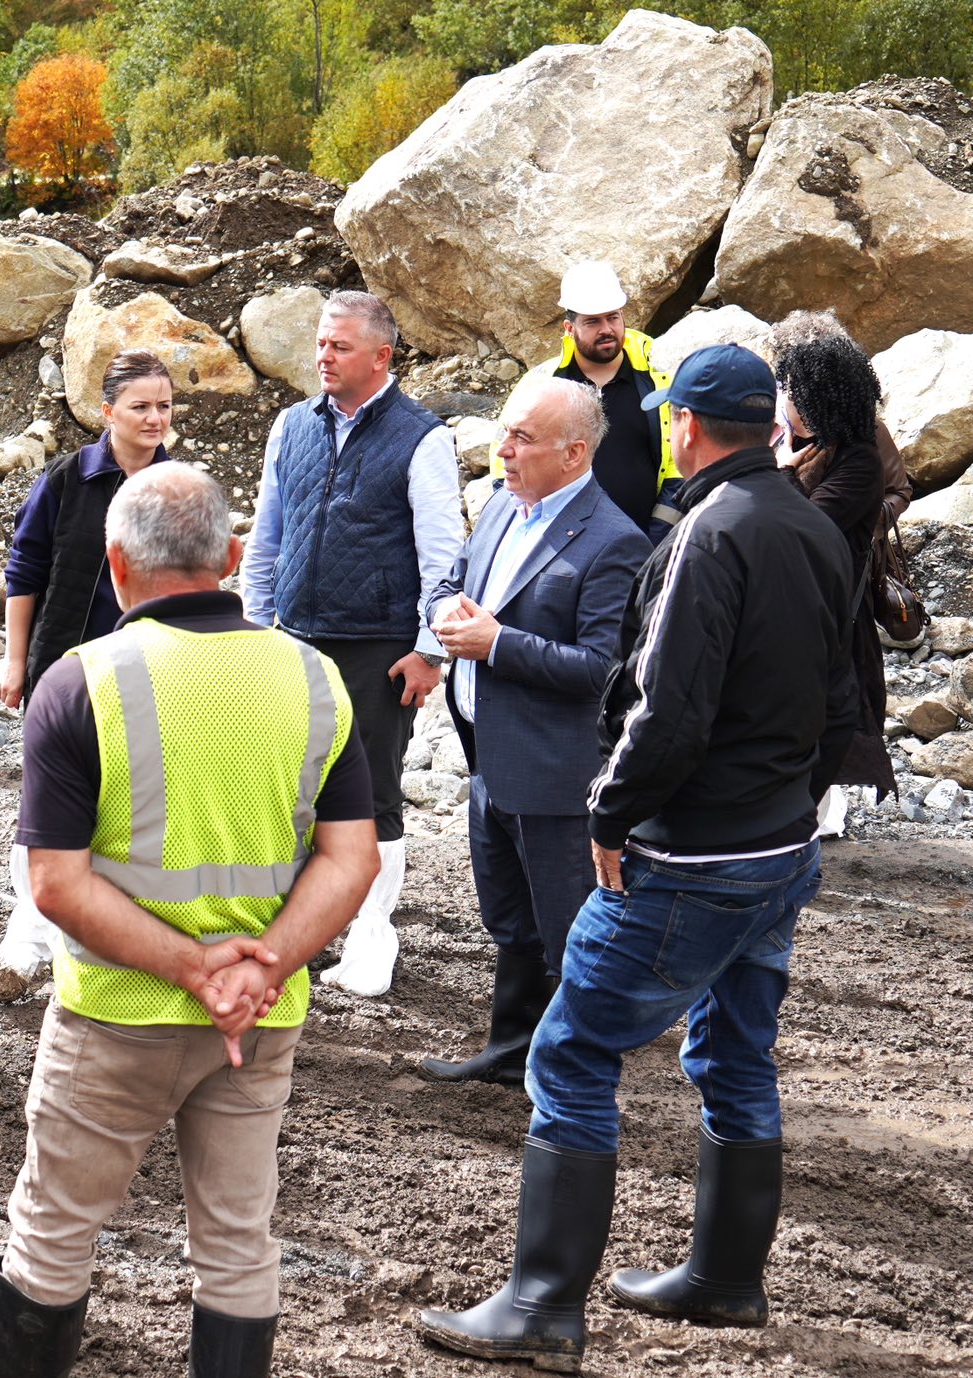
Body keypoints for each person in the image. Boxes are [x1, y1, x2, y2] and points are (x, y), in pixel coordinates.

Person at [419, 345, 858, 1372]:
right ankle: (724, 1279)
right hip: (778, 848)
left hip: (694, 856)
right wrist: (791, 809)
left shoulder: (707, 534)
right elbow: (841, 699)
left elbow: (666, 710)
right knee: (735, 1055)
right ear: (769, 426)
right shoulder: (809, 524)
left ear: (686, 427)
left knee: (570, 1052)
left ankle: (541, 1305)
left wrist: (610, 819)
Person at [0, 464, 379, 1378]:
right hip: (259, 1020)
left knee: (52, 1235)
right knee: (238, 1244)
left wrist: (196, 970)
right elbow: (352, 859)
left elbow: (57, 886)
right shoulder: (313, 677)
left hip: (118, 1014)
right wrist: (258, 969)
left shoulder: (82, 683)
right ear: (232, 556)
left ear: (116, 563)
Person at [419, 378, 647, 1088]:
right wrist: (443, 612)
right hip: (489, 760)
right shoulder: (499, 506)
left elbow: (602, 669)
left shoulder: (615, 541)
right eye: (504, 433)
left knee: (566, 929)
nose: (503, 451)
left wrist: (498, 645)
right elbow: (450, 583)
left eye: (521, 438)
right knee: (511, 920)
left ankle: (571, 1074)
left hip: (553, 774)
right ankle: (512, 1049)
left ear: (574, 453)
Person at [241, 290, 464, 1000]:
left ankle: (371, 938)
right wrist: (255, 628)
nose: (323, 357)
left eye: (339, 346)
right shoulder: (291, 425)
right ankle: (299, 931)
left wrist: (430, 651)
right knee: (288, 794)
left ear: (381, 356)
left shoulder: (423, 437)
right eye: (320, 343)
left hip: (379, 650)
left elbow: (443, 555)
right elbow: (268, 535)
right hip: (292, 641)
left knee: (372, 798)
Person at [0, 349, 174, 1002]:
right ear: (107, 412)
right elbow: (25, 569)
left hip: (149, 674)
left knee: (127, 809)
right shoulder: (66, 479)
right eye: (140, 406)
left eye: (164, 406)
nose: (155, 418)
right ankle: (27, 940)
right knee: (48, 806)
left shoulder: (178, 487)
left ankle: (97, 944)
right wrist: (15, 659)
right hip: (64, 671)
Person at [766, 315, 904, 835]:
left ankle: (806, 830)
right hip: (794, 604)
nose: (784, 402)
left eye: (791, 393)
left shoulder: (859, 460)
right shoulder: (808, 443)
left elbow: (804, 527)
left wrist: (781, 472)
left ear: (816, 400)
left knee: (822, 719)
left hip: (829, 609)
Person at [517, 260, 684, 538]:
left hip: (647, 542)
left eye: (613, 317)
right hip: (562, 546)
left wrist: (658, 536)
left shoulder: (661, 377)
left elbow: (681, 464)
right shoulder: (542, 385)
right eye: (593, 321)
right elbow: (506, 464)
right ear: (569, 328)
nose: (606, 329)